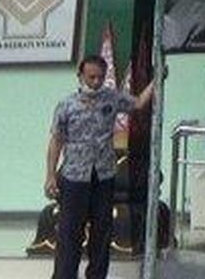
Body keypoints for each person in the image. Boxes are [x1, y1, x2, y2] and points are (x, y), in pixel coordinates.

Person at [45, 55, 154, 279]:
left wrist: (157, 80)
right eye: (91, 77)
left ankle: (96, 275)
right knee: (69, 233)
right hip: (74, 176)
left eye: (100, 77)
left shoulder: (111, 98)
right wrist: (50, 176)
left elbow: (139, 103)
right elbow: (56, 140)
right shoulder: (66, 105)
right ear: (81, 76)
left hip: (103, 176)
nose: (95, 82)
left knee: (101, 232)